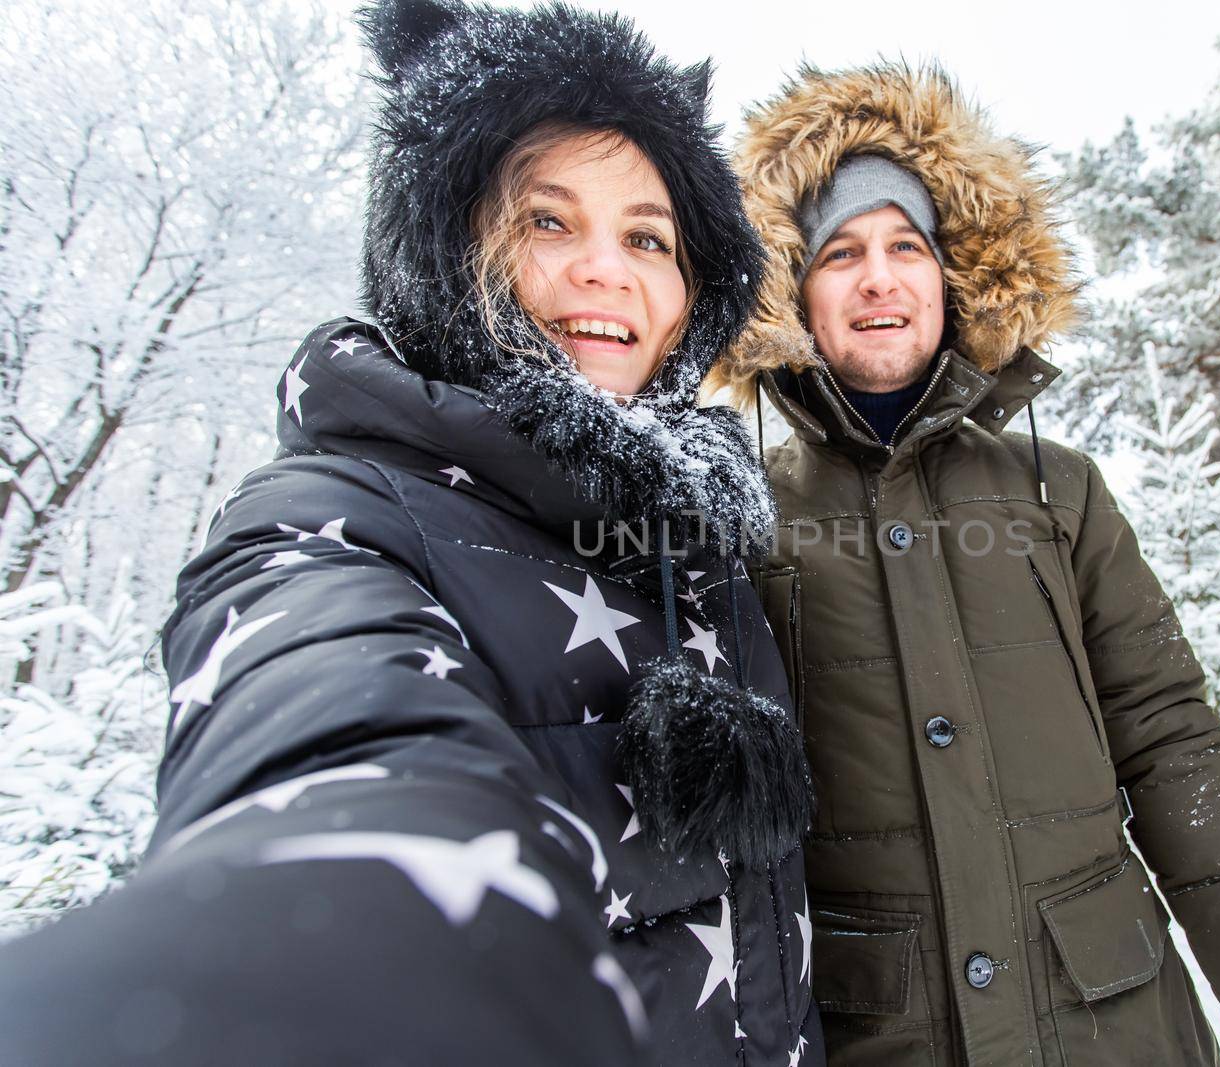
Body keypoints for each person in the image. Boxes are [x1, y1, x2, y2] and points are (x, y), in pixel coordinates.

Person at [0, 2, 819, 1064]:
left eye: (647, 236)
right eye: (545, 219)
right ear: (436, 248)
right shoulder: (330, 513)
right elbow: (328, 721)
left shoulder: (698, 541)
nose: (606, 268)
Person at [708, 63, 1220, 1066]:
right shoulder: (734, 510)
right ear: (789, 288)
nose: (879, 277)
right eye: (839, 252)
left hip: (1111, 1022)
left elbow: (1178, 756)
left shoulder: (1059, 493)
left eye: (907, 246)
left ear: (953, 273)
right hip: (877, 1032)